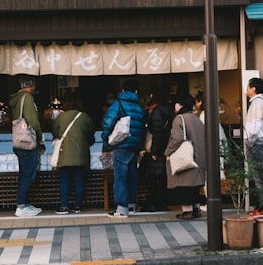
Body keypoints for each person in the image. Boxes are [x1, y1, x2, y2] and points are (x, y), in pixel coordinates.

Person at [101, 79, 147, 218]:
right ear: (136, 91)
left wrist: (106, 138)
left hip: (122, 144)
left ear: (122, 90)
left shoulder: (119, 103)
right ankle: (132, 204)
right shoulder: (139, 107)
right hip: (135, 144)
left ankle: (122, 208)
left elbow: (108, 121)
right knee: (132, 174)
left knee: (120, 176)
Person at [165, 92, 206, 219]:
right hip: (198, 158)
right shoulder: (197, 119)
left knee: (183, 185)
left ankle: (187, 211)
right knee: (194, 186)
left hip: (185, 158)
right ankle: (196, 209)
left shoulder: (179, 119)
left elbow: (176, 138)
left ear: (180, 105)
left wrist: (168, 152)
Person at [51, 94, 94, 214]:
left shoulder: (60, 117)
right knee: (79, 180)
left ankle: (64, 206)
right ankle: (78, 206)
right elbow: (91, 136)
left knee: (65, 180)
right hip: (81, 155)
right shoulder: (85, 117)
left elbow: (55, 133)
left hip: (64, 153)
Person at [9, 77, 45, 217]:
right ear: (32, 85)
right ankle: (21, 205)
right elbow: (33, 121)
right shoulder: (27, 98)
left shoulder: (16, 99)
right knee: (28, 175)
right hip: (28, 142)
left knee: (24, 173)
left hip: (19, 141)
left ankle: (25, 203)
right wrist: (40, 136)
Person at [139, 88, 174, 212]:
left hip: (158, 148)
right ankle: (163, 202)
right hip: (167, 147)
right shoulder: (171, 111)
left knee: (153, 177)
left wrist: (154, 151)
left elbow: (157, 132)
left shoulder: (157, 111)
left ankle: (154, 203)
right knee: (163, 177)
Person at [243, 77, 263, 216]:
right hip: (258, 142)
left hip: (256, 143)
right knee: (259, 175)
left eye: (248, 86)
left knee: (258, 176)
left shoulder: (257, 103)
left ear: (253, 89)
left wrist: (249, 141)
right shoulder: (258, 102)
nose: (246, 89)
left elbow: (255, 125)